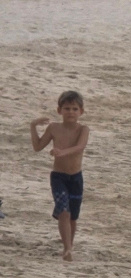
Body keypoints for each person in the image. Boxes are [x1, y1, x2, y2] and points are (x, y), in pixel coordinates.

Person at [30, 90, 90, 261]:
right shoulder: (54, 128)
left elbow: (80, 147)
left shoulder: (83, 129)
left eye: (74, 109)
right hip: (58, 177)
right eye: (67, 108)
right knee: (63, 211)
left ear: (81, 111)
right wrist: (33, 126)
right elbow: (37, 147)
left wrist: (62, 152)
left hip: (76, 177)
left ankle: (69, 245)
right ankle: (67, 249)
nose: (71, 112)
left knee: (73, 216)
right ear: (59, 110)